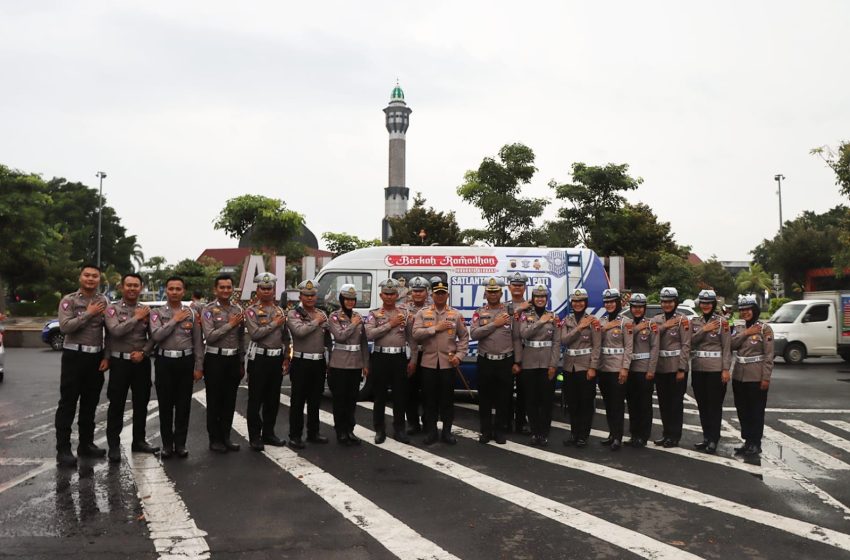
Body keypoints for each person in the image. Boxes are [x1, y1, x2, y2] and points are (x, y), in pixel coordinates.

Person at [55, 264, 111, 467]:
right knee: (68, 403)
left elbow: (109, 331)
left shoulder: (104, 301)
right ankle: (63, 449)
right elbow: (65, 327)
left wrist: (107, 356)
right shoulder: (69, 300)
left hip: (95, 358)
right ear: (80, 277)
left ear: (99, 279)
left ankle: (86, 444)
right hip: (74, 356)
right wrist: (88, 313)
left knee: (90, 403)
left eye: (94, 276)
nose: (90, 279)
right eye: (87, 275)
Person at [104, 273, 158, 463]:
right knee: (116, 404)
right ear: (122, 287)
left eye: (136, 285)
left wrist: (144, 352)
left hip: (140, 363)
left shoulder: (147, 310)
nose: (132, 289)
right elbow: (115, 331)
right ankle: (113, 446)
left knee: (141, 403)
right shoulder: (112, 309)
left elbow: (154, 337)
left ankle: (139, 441)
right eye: (129, 285)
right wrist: (136, 318)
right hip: (119, 363)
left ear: (141, 288)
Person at [149, 276, 204, 459]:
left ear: (183, 291)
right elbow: (156, 335)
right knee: (165, 405)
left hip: (185, 362)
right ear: (166, 290)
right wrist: (175, 319)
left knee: (183, 405)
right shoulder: (157, 313)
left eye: (178, 289)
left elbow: (197, 342)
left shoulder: (192, 313)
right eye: (171, 288)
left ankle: (180, 444)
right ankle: (167, 444)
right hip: (165, 362)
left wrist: (199, 366)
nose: (174, 292)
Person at [412, 277, 469, 445]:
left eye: (443, 293)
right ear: (432, 295)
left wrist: (459, 356)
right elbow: (415, 334)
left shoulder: (455, 314)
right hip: (428, 363)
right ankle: (431, 432)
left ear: (447, 295)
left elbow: (464, 337)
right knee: (429, 400)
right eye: (437, 293)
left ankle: (446, 432)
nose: (440, 296)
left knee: (447, 400)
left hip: (448, 364)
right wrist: (434, 329)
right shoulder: (423, 313)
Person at [470, 277, 520, 444]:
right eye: (490, 292)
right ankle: (485, 431)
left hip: (505, 361)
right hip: (485, 361)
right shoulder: (479, 312)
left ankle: (499, 431)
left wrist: (517, 362)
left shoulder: (510, 313)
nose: (493, 294)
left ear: (501, 293)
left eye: (496, 291)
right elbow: (474, 334)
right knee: (484, 398)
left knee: (503, 398)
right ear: (485, 294)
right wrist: (495, 324)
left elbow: (516, 338)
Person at [244, 272, 290, 451]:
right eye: (262, 288)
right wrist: (273, 324)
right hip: (259, 358)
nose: (266, 291)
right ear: (257, 290)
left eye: (269, 288)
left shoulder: (280, 311)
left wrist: (286, 357)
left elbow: (286, 337)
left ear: (274, 290)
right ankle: (255, 436)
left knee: (273, 398)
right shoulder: (251, 311)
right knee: (256, 399)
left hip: (276, 358)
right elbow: (255, 334)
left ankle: (269, 433)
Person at [201, 274, 245, 453]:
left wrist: (241, 361)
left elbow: (241, 338)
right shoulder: (208, 310)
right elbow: (210, 337)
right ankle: (215, 439)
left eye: (229, 287)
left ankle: (226, 437)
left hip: (233, 359)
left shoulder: (237, 309)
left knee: (230, 400)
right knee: (214, 401)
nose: (226, 290)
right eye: (222, 287)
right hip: (215, 359)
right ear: (215, 289)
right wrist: (230, 324)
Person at [287, 279, 332, 449]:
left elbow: (328, 339)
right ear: (300, 296)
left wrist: (329, 358)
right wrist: (316, 322)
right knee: (298, 401)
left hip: (318, 362)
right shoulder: (294, 314)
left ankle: (313, 433)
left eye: (312, 295)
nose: (310, 298)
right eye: (306, 295)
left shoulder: (321, 313)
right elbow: (299, 332)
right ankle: (295, 436)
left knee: (315, 400)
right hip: (301, 361)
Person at [365, 279, 411, 444]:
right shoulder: (374, 313)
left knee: (400, 395)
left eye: (392, 294)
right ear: (381, 295)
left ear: (397, 295)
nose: (390, 297)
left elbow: (411, 337)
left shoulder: (405, 313)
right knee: (380, 396)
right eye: (386, 293)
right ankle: (379, 430)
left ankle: (399, 429)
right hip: (380, 357)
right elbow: (370, 334)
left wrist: (413, 359)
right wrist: (390, 325)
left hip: (399, 358)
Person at [731, 294, 774, 457]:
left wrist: (766, 378)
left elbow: (769, 356)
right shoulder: (739, 327)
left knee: (756, 411)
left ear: (754, 310)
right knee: (742, 410)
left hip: (756, 376)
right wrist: (746, 333)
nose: (745, 313)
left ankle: (756, 443)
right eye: (742, 310)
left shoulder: (765, 329)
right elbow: (732, 345)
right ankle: (747, 441)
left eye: (748, 309)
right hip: (739, 376)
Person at [690, 289, 732, 454]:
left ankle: (714, 439)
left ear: (713, 304)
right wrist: (704, 330)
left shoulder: (722, 322)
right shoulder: (695, 322)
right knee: (702, 405)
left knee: (714, 406)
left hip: (715, 369)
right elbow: (690, 342)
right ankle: (706, 437)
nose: (705, 305)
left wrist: (726, 369)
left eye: (708, 303)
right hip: (699, 368)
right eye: (703, 303)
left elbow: (727, 348)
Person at [327, 284, 369, 446]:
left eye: (353, 299)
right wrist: (353, 324)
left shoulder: (358, 316)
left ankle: (350, 430)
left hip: (355, 363)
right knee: (340, 400)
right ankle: (340, 432)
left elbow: (364, 342)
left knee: (352, 400)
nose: (350, 302)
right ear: (341, 300)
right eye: (347, 299)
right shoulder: (335, 317)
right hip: (339, 363)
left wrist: (366, 363)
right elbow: (339, 336)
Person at [518, 283, 559, 446]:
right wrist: (540, 322)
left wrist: (553, 365)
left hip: (547, 363)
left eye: (543, 297)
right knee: (532, 400)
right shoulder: (525, 315)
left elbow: (556, 343)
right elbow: (524, 333)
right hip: (529, 363)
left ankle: (544, 432)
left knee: (546, 401)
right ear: (533, 299)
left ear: (546, 299)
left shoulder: (553, 316)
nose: (540, 299)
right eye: (537, 297)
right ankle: (535, 432)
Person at [560, 288, 601, 448]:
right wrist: (579, 328)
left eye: (581, 301)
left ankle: (583, 435)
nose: (578, 304)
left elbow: (597, 347)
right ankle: (574, 433)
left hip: (585, 366)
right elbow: (563, 340)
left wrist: (593, 368)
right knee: (572, 403)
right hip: (570, 367)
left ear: (585, 303)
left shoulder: (593, 321)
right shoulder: (567, 321)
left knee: (585, 403)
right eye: (575, 301)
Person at [652, 287, 692, 448]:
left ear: (675, 302)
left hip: (676, 368)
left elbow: (686, 345)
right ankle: (666, 433)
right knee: (663, 403)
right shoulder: (656, 320)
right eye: (664, 302)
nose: (667, 305)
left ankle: (674, 436)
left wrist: (681, 369)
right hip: (661, 367)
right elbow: (653, 337)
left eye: (670, 302)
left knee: (675, 404)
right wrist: (666, 326)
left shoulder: (683, 320)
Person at [596, 288, 633, 451]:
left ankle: (618, 437)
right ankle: (611, 434)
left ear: (618, 303)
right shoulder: (602, 321)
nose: (609, 304)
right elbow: (596, 341)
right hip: (603, 368)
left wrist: (625, 368)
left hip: (618, 369)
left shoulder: (626, 322)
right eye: (607, 302)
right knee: (608, 404)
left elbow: (629, 347)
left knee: (617, 405)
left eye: (612, 302)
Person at [625, 293, 659, 448]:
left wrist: (651, 370)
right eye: (634, 307)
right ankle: (634, 434)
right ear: (631, 308)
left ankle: (643, 436)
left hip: (644, 369)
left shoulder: (651, 325)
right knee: (632, 404)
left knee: (644, 404)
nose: (637, 310)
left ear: (644, 308)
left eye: (640, 307)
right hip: (630, 369)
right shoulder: (627, 324)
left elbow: (654, 348)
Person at [404, 276, 430, 434]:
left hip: (428, 354)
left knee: (429, 391)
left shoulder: (434, 308)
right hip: (411, 355)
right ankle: (413, 423)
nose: (418, 294)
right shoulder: (404, 309)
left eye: (421, 291)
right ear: (411, 292)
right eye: (415, 291)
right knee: (409, 391)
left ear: (427, 292)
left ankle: (428, 422)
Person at [506, 272, 531, 435]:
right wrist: (518, 309)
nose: (517, 287)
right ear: (509, 287)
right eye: (514, 285)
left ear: (524, 287)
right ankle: (506, 422)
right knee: (505, 390)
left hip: (526, 353)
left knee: (523, 391)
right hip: (507, 352)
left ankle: (521, 422)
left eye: (520, 285)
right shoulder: (503, 306)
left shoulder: (532, 306)